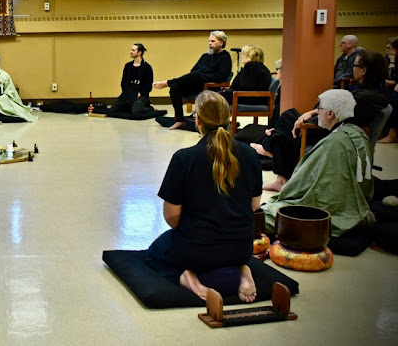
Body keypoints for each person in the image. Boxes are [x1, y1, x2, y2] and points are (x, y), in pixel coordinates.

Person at [145, 91, 261, 302]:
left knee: (155, 253)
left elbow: (172, 217)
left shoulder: (184, 158)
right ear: (229, 118)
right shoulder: (250, 154)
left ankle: (192, 281)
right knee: (228, 255)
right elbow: (254, 205)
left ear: (197, 120)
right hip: (241, 248)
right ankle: (243, 269)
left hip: (195, 250)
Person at [260, 51, 388, 192]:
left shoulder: (364, 98)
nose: (352, 68)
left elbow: (336, 117)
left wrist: (309, 119)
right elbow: (331, 109)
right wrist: (313, 112)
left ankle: (270, 146)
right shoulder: (370, 92)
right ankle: (272, 144)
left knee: (285, 124)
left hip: (328, 133)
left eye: (354, 65)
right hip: (330, 125)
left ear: (363, 70)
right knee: (288, 119)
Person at [262, 90, 374, 237]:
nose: (317, 113)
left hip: (332, 207)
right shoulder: (357, 133)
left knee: (265, 216)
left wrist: (288, 191)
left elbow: (306, 186)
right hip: (355, 203)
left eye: (319, 109)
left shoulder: (334, 144)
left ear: (330, 114)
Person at [153, 31, 232, 130]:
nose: (210, 43)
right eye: (209, 41)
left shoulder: (225, 57)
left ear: (221, 43)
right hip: (197, 84)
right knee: (175, 87)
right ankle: (179, 120)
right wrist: (201, 75)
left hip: (211, 87)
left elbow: (221, 76)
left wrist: (203, 75)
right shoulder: (205, 56)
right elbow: (193, 71)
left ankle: (167, 83)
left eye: (213, 41)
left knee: (196, 75)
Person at [107, 43, 154, 116]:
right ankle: (131, 105)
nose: (130, 52)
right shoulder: (128, 66)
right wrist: (127, 93)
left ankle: (149, 106)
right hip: (128, 94)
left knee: (136, 112)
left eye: (133, 50)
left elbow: (148, 86)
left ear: (139, 53)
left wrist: (140, 93)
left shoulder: (147, 67)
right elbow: (124, 82)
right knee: (113, 110)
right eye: (131, 49)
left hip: (140, 95)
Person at [378, 37, 398, 144]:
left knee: (393, 101)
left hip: (395, 89)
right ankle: (380, 131)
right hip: (388, 87)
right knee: (377, 98)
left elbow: (394, 77)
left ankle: (392, 135)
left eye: (389, 48)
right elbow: (386, 75)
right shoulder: (387, 58)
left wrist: (393, 62)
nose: (387, 50)